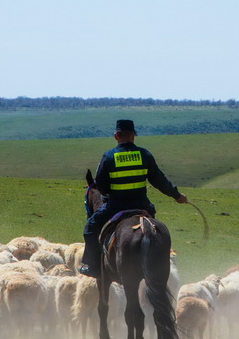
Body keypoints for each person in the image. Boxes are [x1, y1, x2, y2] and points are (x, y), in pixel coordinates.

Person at [78, 119, 188, 278]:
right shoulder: (145, 154)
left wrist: (111, 193)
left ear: (116, 136)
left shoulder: (108, 157)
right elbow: (159, 180)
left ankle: (93, 266)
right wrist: (177, 195)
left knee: (90, 229)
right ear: (133, 136)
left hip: (115, 205)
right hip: (142, 205)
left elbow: (101, 186)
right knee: (154, 230)